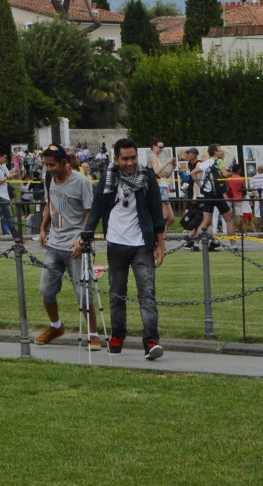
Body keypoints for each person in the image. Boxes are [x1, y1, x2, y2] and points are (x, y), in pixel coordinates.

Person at [78, 137, 166, 359]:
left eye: (133, 158)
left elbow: (157, 212)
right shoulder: (108, 178)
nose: (130, 163)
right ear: (115, 159)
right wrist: (87, 232)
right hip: (116, 242)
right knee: (117, 293)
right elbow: (97, 206)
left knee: (147, 293)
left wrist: (160, 243)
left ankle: (151, 341)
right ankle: (117, 335)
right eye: (125, 159)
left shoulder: (147, 178)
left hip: (142, 244)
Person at [34, 143, 99, 349]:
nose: (49, 168)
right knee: (46, 289)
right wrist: (43, 228)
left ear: (64, 162)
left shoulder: (81, 181)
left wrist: (83, 237)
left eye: (52, 164)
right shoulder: (50, 179)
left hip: (75, 245)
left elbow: (90, 211)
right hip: (54, 244)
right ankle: (55, 326)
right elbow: (51, 204)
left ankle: (93, 334)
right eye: (46, 165)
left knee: (83, 292)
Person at [147, 139, 174, 232]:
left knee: (171, 218)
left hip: (163, 187)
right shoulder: (153, 157)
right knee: (165, 218)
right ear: (154, 147)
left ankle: (159, 238)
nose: (162, 149)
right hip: (159, 188)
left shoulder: (156, 159)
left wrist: (173, 167)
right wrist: (166, 162)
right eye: (160, 147)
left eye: (163, 147)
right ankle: (161, 244)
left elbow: (166, 175)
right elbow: (156, 171)